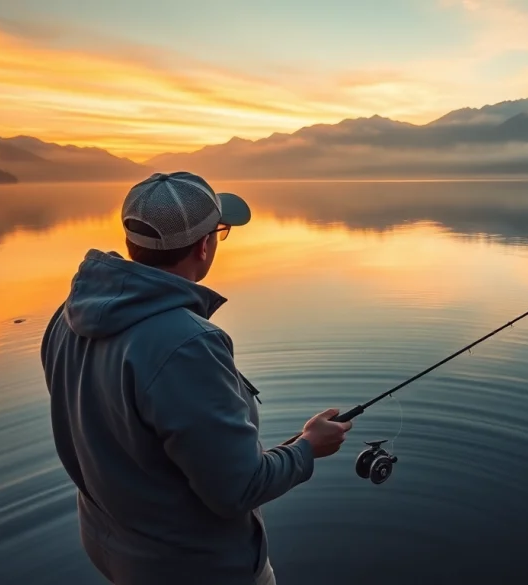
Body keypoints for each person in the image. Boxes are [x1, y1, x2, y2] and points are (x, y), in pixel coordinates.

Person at [40, 171, 352, 585]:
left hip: (114, 551)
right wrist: (309, 448)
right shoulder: (188, 345)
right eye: (221, 231)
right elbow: (237, 490)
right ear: (204, 246)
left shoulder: (68, 318)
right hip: (199, 568)